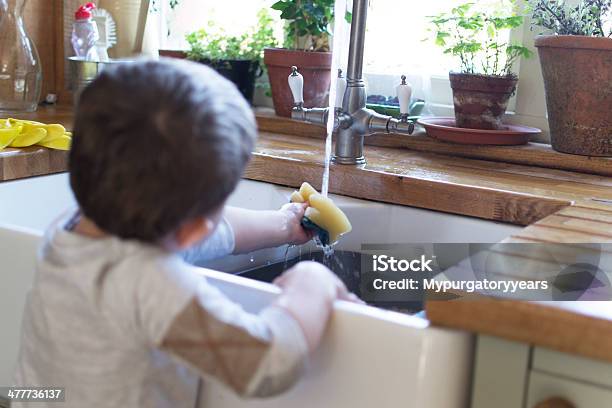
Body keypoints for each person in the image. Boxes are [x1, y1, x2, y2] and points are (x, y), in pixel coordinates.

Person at [14, 59, 357, 408]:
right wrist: (312, 284)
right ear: (193, 228)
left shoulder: (71, 228)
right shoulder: (153, 283)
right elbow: (265, 365)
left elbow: (199, 232)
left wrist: (282, 225)